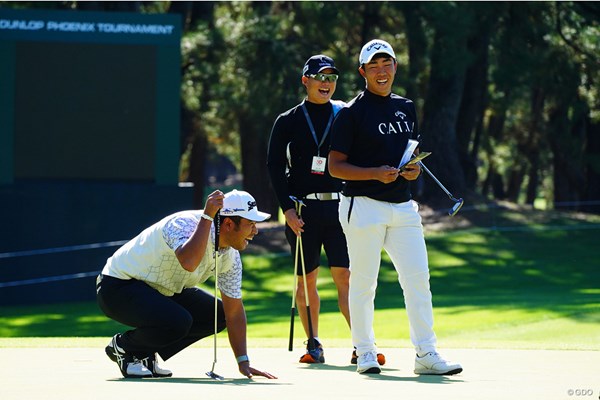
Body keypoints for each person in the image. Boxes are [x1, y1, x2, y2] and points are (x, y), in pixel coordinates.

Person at [328, 39, 463, 376]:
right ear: (363, 72)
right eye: (373, 66)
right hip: (362, 205)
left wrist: (412, 169)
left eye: (386, 63)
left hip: (403, 205)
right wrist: (374, 174)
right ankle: (366, 352)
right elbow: (334, 166)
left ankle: (426, 354)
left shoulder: (406, 107)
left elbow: (408, 153)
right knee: (364, 283)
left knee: (418, 280)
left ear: (395, 67)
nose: (381, 71)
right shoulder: (350, 113)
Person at [96, 189, 277, 380]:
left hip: (161, 291)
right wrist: (208, 216)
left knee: (217, 315)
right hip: (117, 287)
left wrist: (243, 362)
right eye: (251, 224)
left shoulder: (231, 257)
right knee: (178, 321)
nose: (255, 231)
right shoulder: (183, 223)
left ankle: (143, 353)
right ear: (229, 224)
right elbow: (189, 262)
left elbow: (233, 312)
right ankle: (124, 348)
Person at [267, 54, 373, 365]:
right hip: (302, 211)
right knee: (306, 280)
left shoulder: (343, 113)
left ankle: (362, 345)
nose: (325, 83)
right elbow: (274, 167)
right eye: (319, 77)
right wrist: (286, 209)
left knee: (346, 277)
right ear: (306, 80)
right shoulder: (288, 120)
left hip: (339, 209)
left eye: (331, 78)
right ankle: (313, 343)